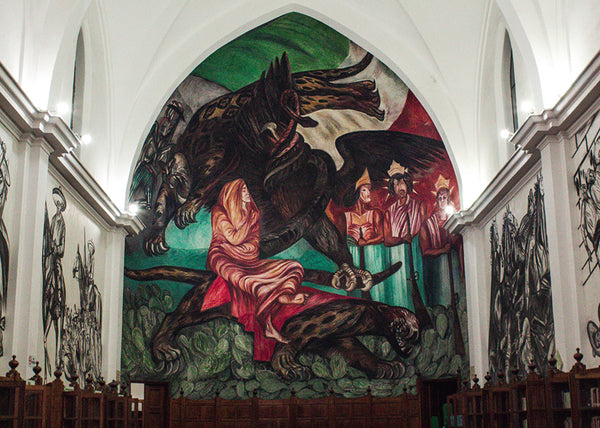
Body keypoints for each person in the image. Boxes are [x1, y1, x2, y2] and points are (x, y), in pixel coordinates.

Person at [207, 179, 307, 345]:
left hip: (248, 259)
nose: (247, 193)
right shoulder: (219, 211)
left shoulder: (251, 211)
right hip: (224, 257)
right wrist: (248, 218)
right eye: (243, 190)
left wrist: (249, 217)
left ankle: (284, 295)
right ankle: (267, 324)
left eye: (247, 189)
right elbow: (233, 238)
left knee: (294, 267)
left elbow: (252, 244)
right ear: (233, 195)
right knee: (251, 283)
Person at [382, 162, 427, 310]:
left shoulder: (418, 206)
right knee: (399, 294)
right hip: (397, 256)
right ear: (392, 189)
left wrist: (412, 238)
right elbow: (387, 239)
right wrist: (402, 239)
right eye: (396, 184)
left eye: (402, 183)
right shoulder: (389, 211)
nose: (400, 187)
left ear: (407, 184)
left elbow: (423, 229)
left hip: (415, 253)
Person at [344, 168, 387, 299]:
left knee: (376, 295)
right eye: (364, 189)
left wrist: (367, 242)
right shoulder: (347, 217)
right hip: (354, 261)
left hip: (374, 258)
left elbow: (382, 236)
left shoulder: (375, 214)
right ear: (357, 193)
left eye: (369, 189)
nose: (369, 193)